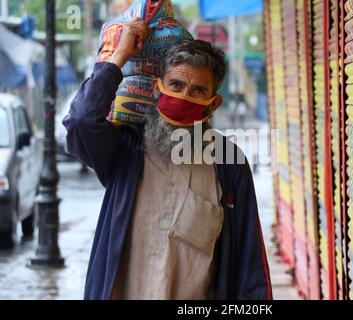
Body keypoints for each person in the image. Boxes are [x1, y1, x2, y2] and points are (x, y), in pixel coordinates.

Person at [63, 19, 272, 300]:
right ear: (156, 89)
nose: (184, 97)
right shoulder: (126, 148)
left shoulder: (229, 162)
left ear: (213, 104)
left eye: (198, 90)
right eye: (175, 84)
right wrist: (118, 58)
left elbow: (250, 266)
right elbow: (80, 121)